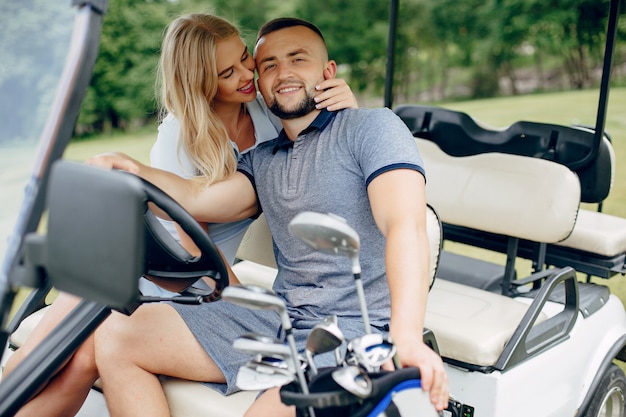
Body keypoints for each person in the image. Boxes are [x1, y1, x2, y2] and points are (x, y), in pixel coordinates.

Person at [88, 17, 449, 417]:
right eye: (269, 66)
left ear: (327, 72)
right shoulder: (261, 160)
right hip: (281, 321)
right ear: (258, 84)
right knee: (116, 337)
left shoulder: (372, 127)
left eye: (298, 59)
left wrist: (407, 336)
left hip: (351, 330)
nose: (284, 73)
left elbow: (405, 224)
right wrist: (131, 168)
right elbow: (194, 195)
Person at [2, 13, 357, 417]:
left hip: (193, 284)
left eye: (245, 59)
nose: (247, 75)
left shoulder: (267, 113)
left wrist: (345, 100)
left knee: (82, 356)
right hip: (158, 270)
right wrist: (245, 308)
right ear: (202, 82)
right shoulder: (179, 134)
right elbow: (193, 240)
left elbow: (324, 132)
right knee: (44, 359)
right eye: (228, 72)